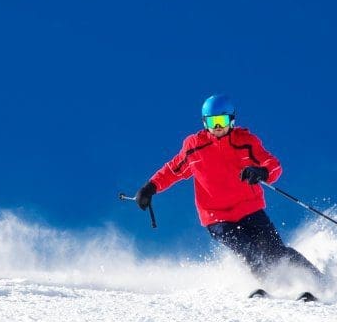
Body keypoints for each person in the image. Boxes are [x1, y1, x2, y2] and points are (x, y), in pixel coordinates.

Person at [135, 94, 322, 282]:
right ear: (204, 123)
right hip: (217, 217)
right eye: (212, 122)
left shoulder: (246, 142)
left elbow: (273, 164)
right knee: (246, 249)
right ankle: (271, 286)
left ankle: (317, 281)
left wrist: (262, 172)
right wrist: (149, 188)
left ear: (232, 120)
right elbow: (172, 170)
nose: (217, 127)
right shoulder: (194, 146)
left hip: (250, 208)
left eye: (222, 121)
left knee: (275, 252)